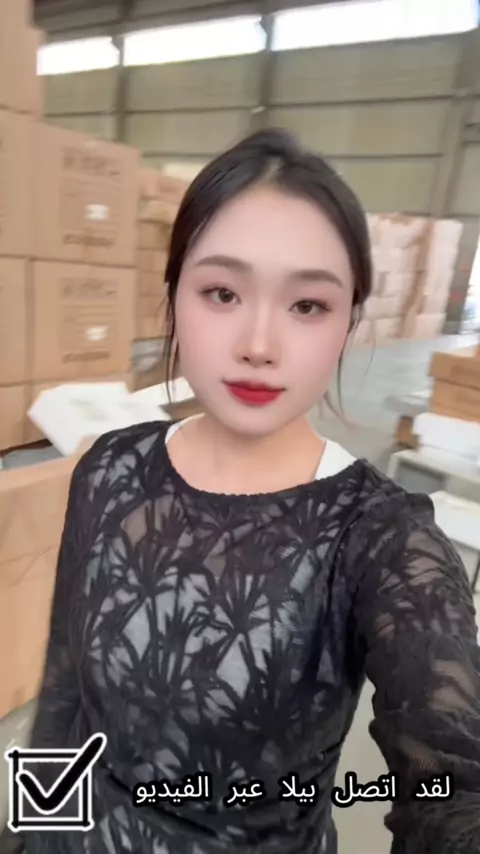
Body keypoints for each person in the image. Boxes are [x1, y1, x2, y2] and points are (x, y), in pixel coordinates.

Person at [11, 129, 480, 853]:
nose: (259, 344)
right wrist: (33, 830)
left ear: (349, 322)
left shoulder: (381, 538)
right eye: (223, 293)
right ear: (174, 295)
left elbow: (450, 782)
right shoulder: (109, 468)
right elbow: (63, 695)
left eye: (307, 305)